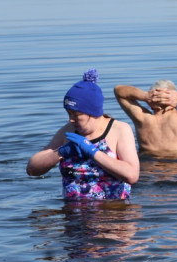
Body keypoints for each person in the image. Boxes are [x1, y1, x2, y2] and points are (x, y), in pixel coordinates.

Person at [27, 69, 140, 201]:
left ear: (93, 112)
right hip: (72, 215)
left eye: (76, 115)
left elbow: (132, 175)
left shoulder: (119, 130)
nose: (71, 119)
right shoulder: (67, 131)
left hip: (112, 213)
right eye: (69, 113)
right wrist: (61, 152)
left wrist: (93, 152)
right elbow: (32, 169)